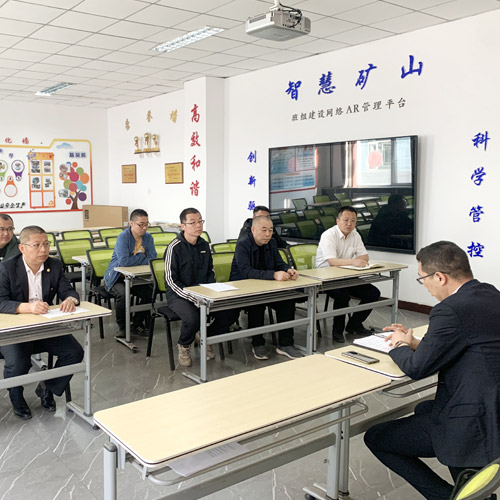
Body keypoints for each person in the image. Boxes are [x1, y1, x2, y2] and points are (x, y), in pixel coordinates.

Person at [364, 241, 500, 500]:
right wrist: (415, 342)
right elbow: (469, 342)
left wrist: (398, 345)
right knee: (423, 408)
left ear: (439, 277)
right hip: (493, 406)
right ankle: (470, 488)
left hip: (472, 420)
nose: (424, 286)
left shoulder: (449, 310)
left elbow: (417, 368)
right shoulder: (490, 293)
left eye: (422, 278)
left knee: (376, 437)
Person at [0, 226, 83, 420]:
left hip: (44, 327)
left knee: (74, 352)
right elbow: (1, 301)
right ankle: (16, 397)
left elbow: (69, 290)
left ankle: (48, 387)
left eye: (46, 244)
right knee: (18, 362)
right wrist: (27, 307)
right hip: (14, 329)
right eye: (36, 245)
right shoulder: (6, 268)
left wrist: (70, 299)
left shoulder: (54, 265)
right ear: (22, 248)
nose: (43, 250)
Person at [165, 208, 234, 367]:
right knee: (193, 317)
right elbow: (170, 280)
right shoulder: (174, 247)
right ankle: (184, 345)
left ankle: (205, 336)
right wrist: (192, 296)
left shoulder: (204, 245)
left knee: (229, 311)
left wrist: (210, 291)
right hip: (179, 295)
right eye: (193, 222)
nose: (198, 225)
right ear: (183, 226)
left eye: (200, 221)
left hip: (203, 292)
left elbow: (210, 271)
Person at [230, 215, 303, 360]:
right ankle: (257, 343)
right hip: (245, 289)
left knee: (287, 301)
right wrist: (273, 275)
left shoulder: (272, 243)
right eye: (264, 230)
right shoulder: (243, 244)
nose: (268, 234)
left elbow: (279, 263)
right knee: (257, 304)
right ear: (253, 229)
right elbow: (246, 271)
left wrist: (288, 269)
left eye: (270, 230)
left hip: (267, 286)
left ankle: (285, 344)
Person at [315, 206, 380, 343]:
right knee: (342, 295)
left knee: (373, 293)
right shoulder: (328, 235)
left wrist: (357, 261)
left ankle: (354, 324)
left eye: (353, 221)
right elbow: (332, 261)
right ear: (338, 220)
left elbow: (364, 256)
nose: (349, 224)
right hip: (326, 278)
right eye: (345, 220)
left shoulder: (355, 234)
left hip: (347, 276)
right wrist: (353, 261)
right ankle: (337, 330)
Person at [104, 209, 156, 337]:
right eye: (141, 225)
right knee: (123, 294)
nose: (144, 228)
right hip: (116, 277)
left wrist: (138, 257)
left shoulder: (148, 237)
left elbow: (152, 258)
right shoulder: (123, 237)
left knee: (150, 293)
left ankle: (136, 323)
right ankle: (122, 327)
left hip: (135, 277)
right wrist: (142, 256)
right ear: (131, 223)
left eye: (147, 224)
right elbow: (124, 262)